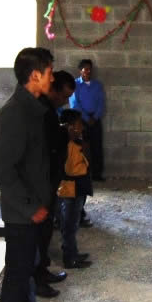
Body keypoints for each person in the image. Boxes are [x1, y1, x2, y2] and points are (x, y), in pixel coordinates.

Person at [0, 47, 59, 302]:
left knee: (26, 273)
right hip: (22, 214)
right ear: (35, 75)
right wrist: (31, 207)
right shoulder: (15, 113)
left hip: (33, 210)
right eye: (49, 73)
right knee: (17, 277)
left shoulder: (33, 109)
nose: (52, 79)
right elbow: (1, 170)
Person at [34, 71, 77, 298]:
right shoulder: (40, 109)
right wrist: (64, 134)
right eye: (65, 96)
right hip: (42, 180)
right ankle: (37, 280)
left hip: (49, 179)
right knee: (39, 232)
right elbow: (45, 142)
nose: (66, 102)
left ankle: (42, 271)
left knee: (46, 228)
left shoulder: (49, 108)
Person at [58, 109, 94, 270]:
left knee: (72, 223)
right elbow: (73, 169)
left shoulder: (76, 142)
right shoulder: (70, 145)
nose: (82, 127)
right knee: (69, 225)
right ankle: (70, 258)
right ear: (70, 127)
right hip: (72, 189)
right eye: (79, 124)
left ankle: (73, 252)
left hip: (77, 188)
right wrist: (83, 151)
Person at [69, 59, 106, 182]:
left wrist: (95, 117)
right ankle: (82, 174)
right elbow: (75, 104)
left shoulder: (97, 85)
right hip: (81, 120)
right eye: (85, 69)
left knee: (97, 147)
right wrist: (86, 118)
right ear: (80, 71)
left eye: (90, 69)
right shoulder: (75, 85)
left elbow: (101, 103)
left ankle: (97, 174)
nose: (88, 72)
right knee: (81, 147)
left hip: (95, 119)